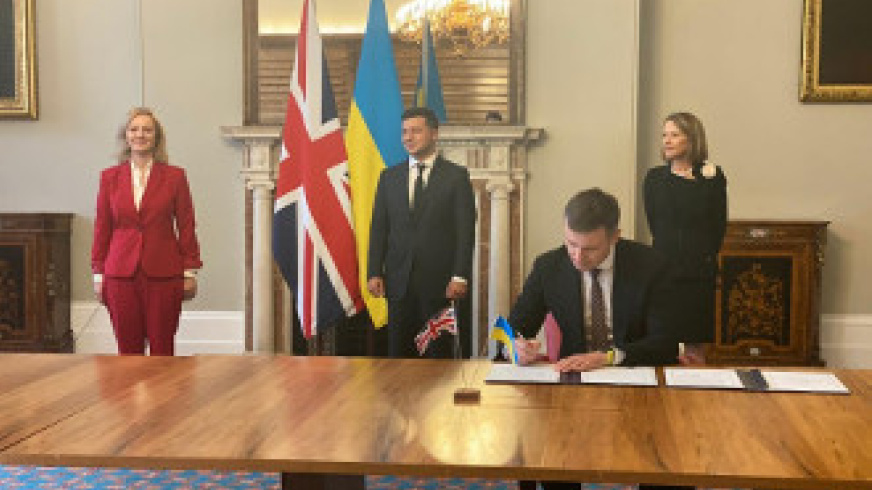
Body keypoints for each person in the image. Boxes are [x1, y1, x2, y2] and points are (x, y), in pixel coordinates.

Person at [510, 188, 686, 490]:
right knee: (553, 459)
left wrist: (609, 357)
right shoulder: (548, 266)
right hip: (573, 386)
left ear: (615, 236)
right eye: (571, 244)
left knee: (665, 465)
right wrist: (516, 345)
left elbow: (665, 342)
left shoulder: (651, 265)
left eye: (590, 248)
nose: (578, 257)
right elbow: (515, 326)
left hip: (638, 379)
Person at [367, 107, 477, 359]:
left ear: (434, 134)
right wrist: (374, 271)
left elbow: (465, 231)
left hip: (440, 285)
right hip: (398, 284)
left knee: (437, 357)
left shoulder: (456, 177)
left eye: (415, 131)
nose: (408, 137)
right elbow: (379, 228)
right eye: (404, 132)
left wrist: (460, 276)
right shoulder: (389, 178)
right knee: (399, 357)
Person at [91, 107, 202, 356]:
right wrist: (98, 273)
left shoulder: (175, 177)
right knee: (128, 352)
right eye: (134, 129)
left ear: (156, 137)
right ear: (126, 136)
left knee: (163, 350)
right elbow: (102, 227)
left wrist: (190, 270)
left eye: (147, 130)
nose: (140, 135)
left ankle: (164, 386)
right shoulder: (109, 178)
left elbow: (186, 224)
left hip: (164, 274)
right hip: (120, 275)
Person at [644, 112, 727, 364]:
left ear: (691, 139)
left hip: (698, 273)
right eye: (664, 135)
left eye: (674, 135)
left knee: (695, 347)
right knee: (662, 341)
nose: (667, 141)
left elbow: (717, 226)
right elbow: (655, 224)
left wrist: (701, 258)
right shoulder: (654, 178)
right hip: (663, 270)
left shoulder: (712, 177)